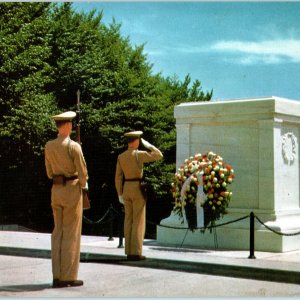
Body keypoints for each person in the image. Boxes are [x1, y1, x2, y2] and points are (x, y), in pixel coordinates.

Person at [45, 111, 88, 288]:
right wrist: (84, 184)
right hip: (71, 189)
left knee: (58, 232)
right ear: (68, 126)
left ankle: (57, 275)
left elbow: (48, 172)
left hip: (56, 189)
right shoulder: (74, 147)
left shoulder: (48, 146)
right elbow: (83, 172)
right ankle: (68, 276)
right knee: (71, 232)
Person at [115, 131, 163, 261]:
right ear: (136, 141)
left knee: (128, 220)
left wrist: (119, 193)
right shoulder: (138, 154)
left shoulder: (121, 156)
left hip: (126, 188)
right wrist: (149, 146)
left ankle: (129, 251)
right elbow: (159, 155)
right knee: (138, 220)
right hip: (137, 188)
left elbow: (118, 178)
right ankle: (136, 252)